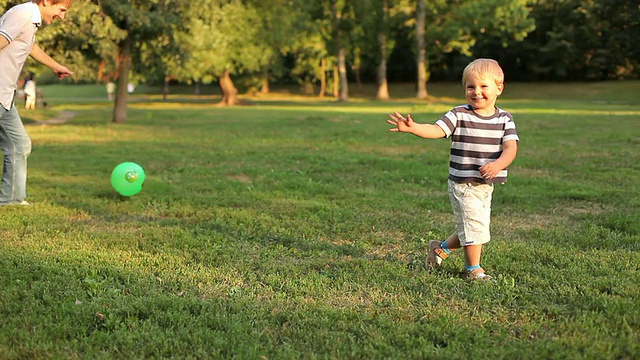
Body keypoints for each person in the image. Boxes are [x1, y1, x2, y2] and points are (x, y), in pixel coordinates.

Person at [387, 58, 519, 280]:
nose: (476, 92)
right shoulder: (459, 114)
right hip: (463, 183)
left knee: (474, 226)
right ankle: (473, 269)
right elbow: (436, 129)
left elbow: (510, 148)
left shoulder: (505, 119)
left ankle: (439, 249)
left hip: (485, 184)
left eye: (483, 86)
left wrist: (498, 164)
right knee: (474, 226)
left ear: (499, 88)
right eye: (470, 86)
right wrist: (414, 128)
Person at [0, 0, 74, 205]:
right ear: (47, 1)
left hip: (5, 96)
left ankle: (11, 199)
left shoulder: (29, 20)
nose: (62, 16)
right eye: (61, 10)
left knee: (19, 144)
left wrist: (56, 66)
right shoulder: (23, 14)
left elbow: (29, 45)